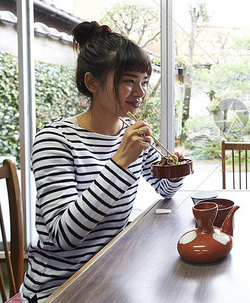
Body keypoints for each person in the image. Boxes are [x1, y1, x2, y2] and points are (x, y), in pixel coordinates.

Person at [20, 22, 187, 302]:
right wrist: (120, 162)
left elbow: (165, 190)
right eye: (128, 81)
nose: (140, 92)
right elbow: (63, 235)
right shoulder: (55, 140)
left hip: (111, 273)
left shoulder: (129, 133)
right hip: (59, 288)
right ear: (92, 83)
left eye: (144, 81)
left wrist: (174, 169)